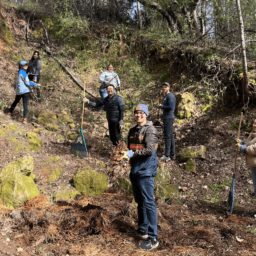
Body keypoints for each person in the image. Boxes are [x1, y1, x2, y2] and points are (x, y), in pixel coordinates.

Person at [118, 104, 159, 251]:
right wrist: (125, 157)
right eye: (136, 113)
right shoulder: (132, 131)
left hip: (146, 171)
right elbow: (131, 149)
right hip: (135, 170)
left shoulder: (151, 130)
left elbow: (148, 151)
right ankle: (143, 230)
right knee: (139, 201)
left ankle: (154, 238)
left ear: (146, 114)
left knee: (149, 203)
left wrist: (131, 154)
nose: (138, 115)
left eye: (141, 113)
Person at [236, 118, 256, 196]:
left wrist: (243, 148)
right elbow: (250, 144)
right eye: (254, 123)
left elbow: (254, 149)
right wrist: (242, 142)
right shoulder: (253, 134)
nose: (255, 125)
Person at [159, 82, 176, 161]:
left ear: (169, 87)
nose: (164, 89)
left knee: (167, 136)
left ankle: (167, 155)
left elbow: (171, 107)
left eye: (165, 87)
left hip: (169, 118)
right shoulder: (167, 96)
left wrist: (161, 106)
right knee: (171, 136)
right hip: (167, 117)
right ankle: (172, 154)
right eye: (163, 87)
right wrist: (163, 115)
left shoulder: (170, 96)